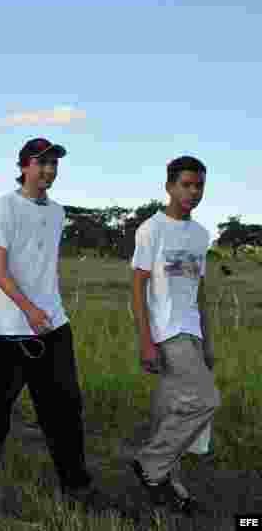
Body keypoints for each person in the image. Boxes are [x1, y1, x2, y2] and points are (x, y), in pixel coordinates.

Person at [0, 138, 101, 505]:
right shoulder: (6, 206)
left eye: (53, 164)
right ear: (24, 166)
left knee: (63, 403)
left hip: (51, 322)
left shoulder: (58, 212)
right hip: (5, 327)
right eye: (41, 162)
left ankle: (75, 482)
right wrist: (27, 308)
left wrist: (43, 309)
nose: (48, 170)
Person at [129, 156, 218, 515]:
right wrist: (146, 339)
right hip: (167, 331)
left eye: (198, 185)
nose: (193, 192)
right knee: (206, 400)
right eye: (186, 184)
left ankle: (167, 486)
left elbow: (199, 291)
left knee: (172, 414)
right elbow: (138, 287)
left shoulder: (200, 235)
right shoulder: (152, 229)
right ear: (169, 187)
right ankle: (150, 463)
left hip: (191, 331)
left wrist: (208, 340)